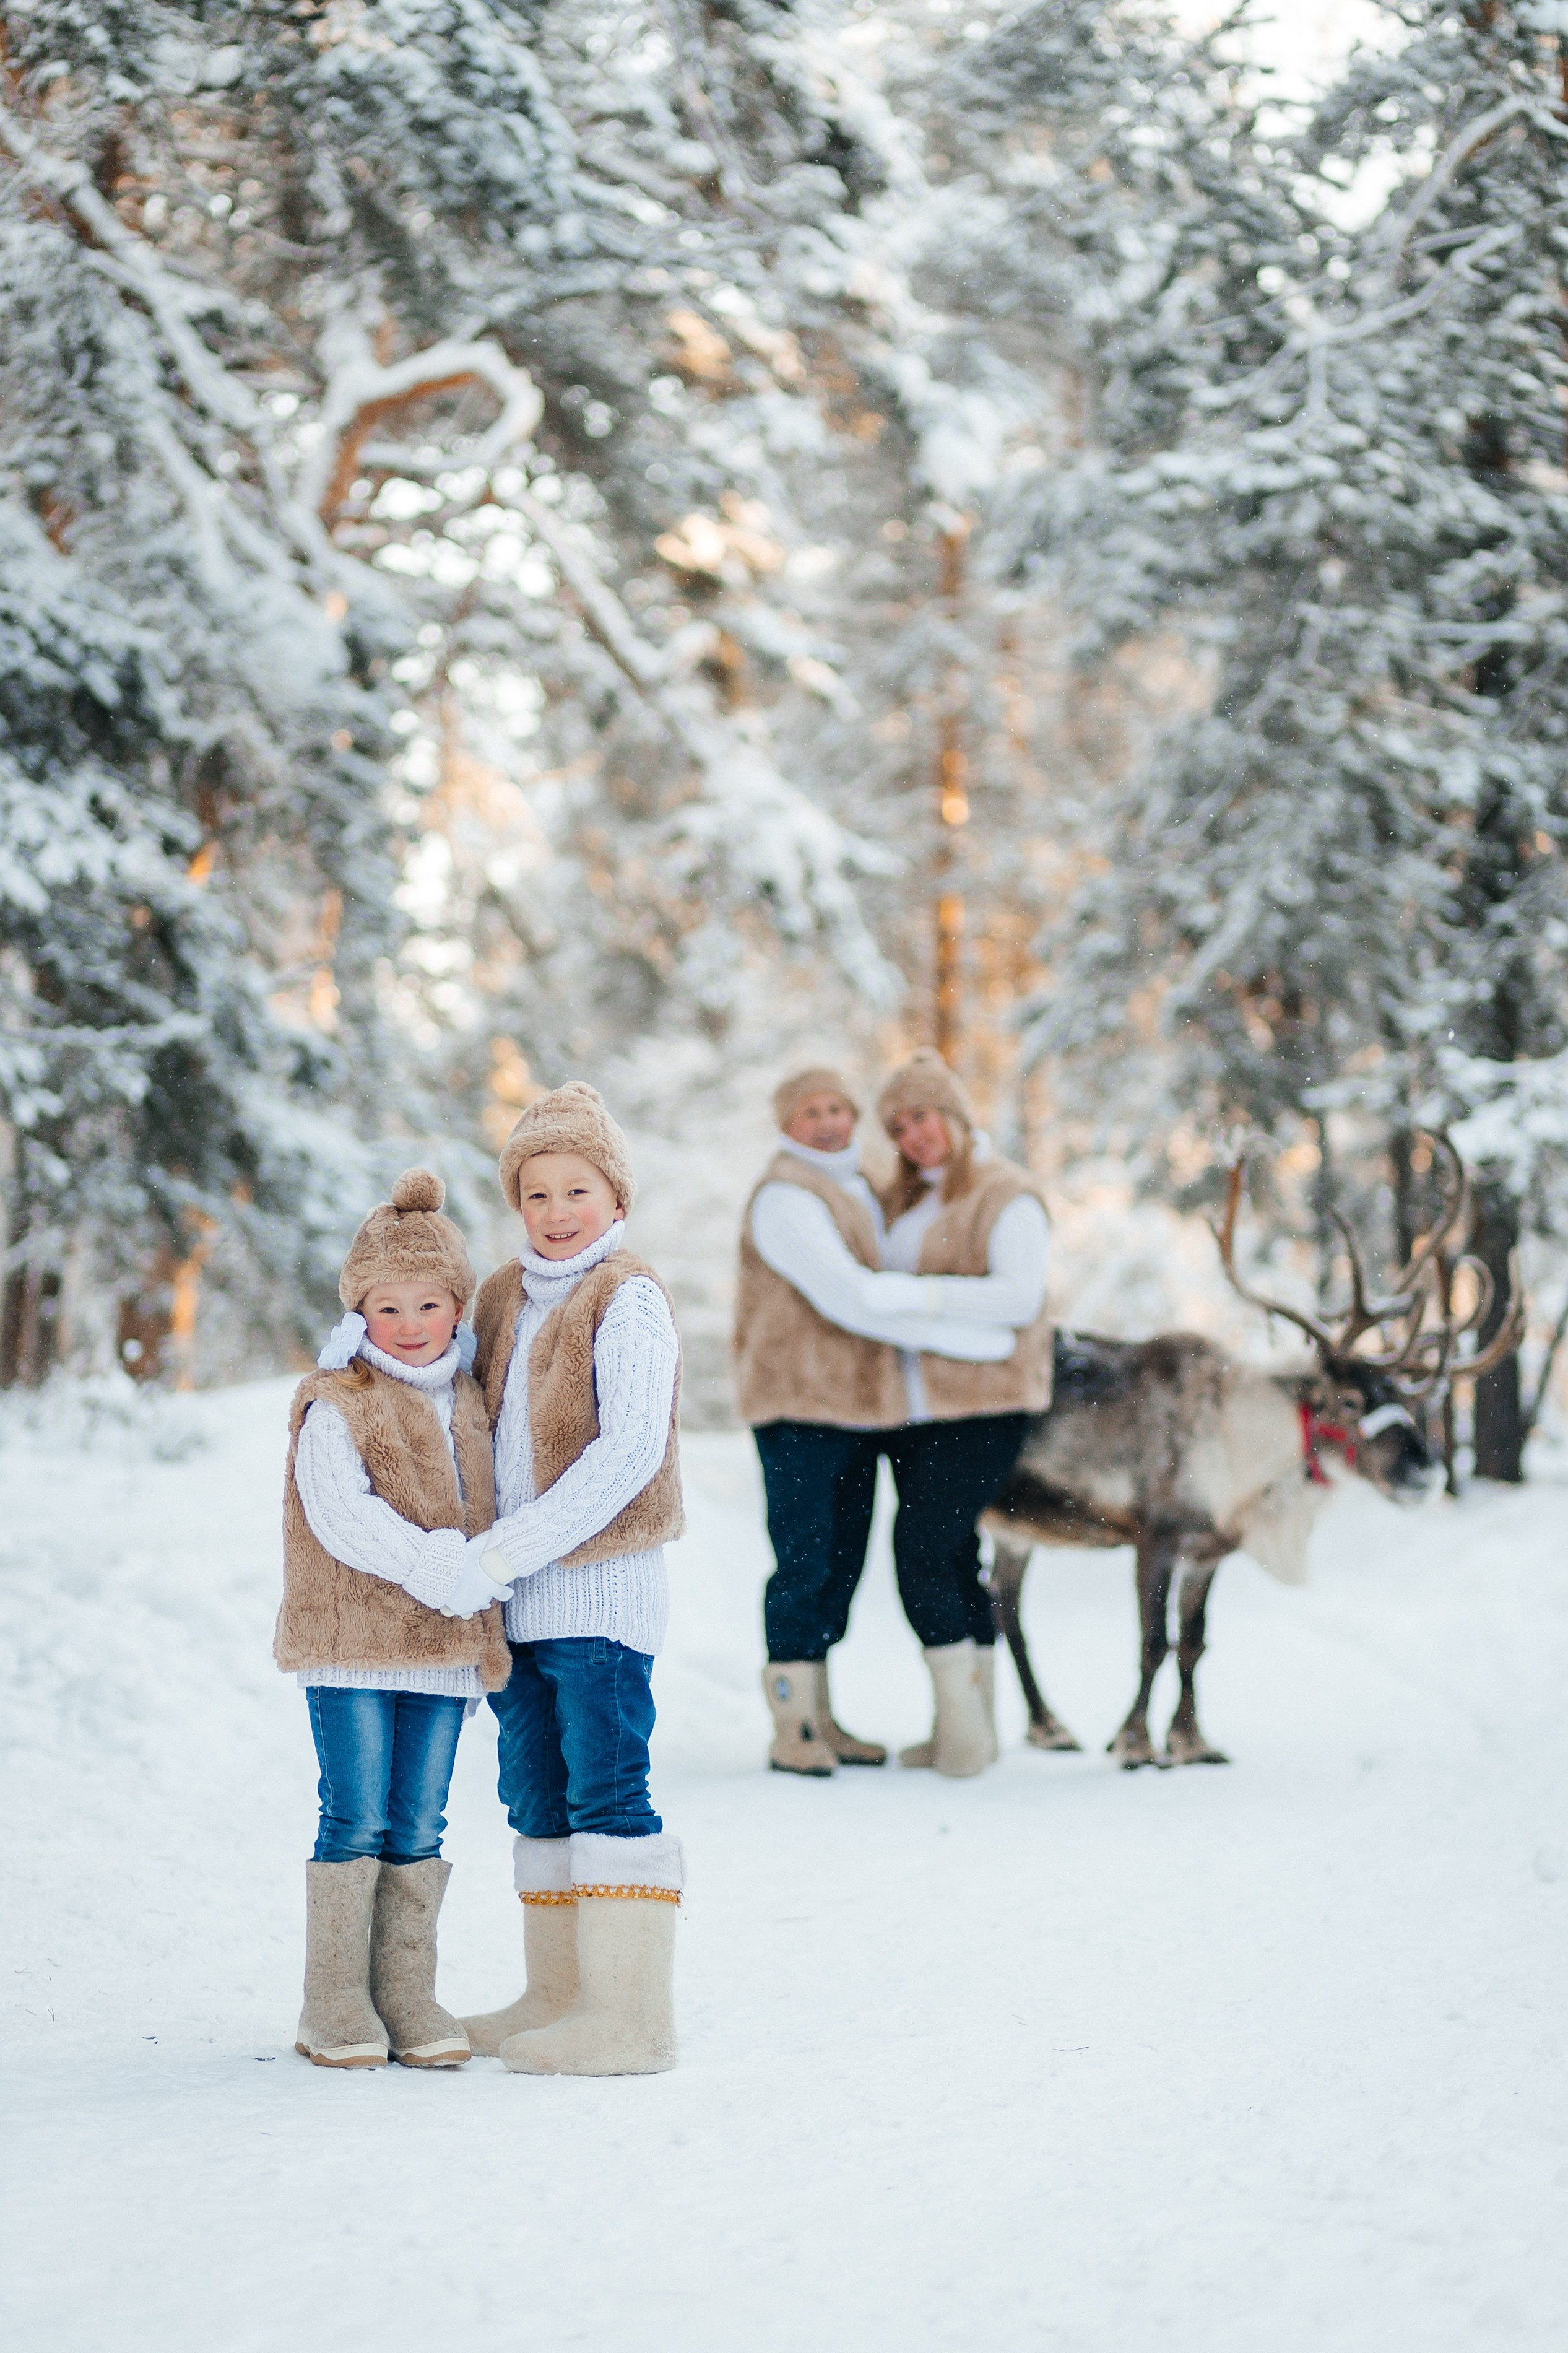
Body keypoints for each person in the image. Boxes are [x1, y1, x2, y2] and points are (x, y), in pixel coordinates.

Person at [459, 1082, 685, 2077]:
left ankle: (631, 2019)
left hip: (598, 1597)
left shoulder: (625, 1296)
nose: (556, 1213)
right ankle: (556, 1996)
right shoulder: (505, 1295)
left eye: (576, 1190)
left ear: (614, 1196)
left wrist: (515, 1546)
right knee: (534, 1792)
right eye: (537, 1193)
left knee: (604, 1785)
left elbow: (628, 1450)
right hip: (520, 1607)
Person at [274, 1168, 513, 2071]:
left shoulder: (471, 1403)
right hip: (356, 1647)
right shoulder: (338, 1401)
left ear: (457, 1307)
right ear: (359, 1315)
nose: (410, 1326)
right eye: (387, 1309)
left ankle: (405, 1989)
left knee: (420, 1824)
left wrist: (481, 1582)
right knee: (357, 1816)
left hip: (446, 1654)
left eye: (428, 1304)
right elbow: (343, 1515)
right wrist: (442, 1567)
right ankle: (333, 1997)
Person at [734, 1064, 1014, 1775]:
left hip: (856, 1411)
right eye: (810, 1110)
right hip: (798, 1404)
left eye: (838, 1107)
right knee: (803, 1561)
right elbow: (847, 1297)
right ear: (785, 1123)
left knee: (840, 1566)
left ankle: (823, 1718)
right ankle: (792, 1723)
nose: (827, 1121)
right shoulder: (785, 1196)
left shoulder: (857, 1185)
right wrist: (981, 1334)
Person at [875, 1050, 1051, 1777]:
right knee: (952, 1556)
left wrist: (920, 1296)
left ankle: (964, 1730)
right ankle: (972, 1727)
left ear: (952, 1113)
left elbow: (1019, 1297)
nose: (913, 1135)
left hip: (985, 1404)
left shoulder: (1005, 1193)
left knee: (918, 1550)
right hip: (914, 1410)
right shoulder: (907, 1200)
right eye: (899, 1125)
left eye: (921, 1116)